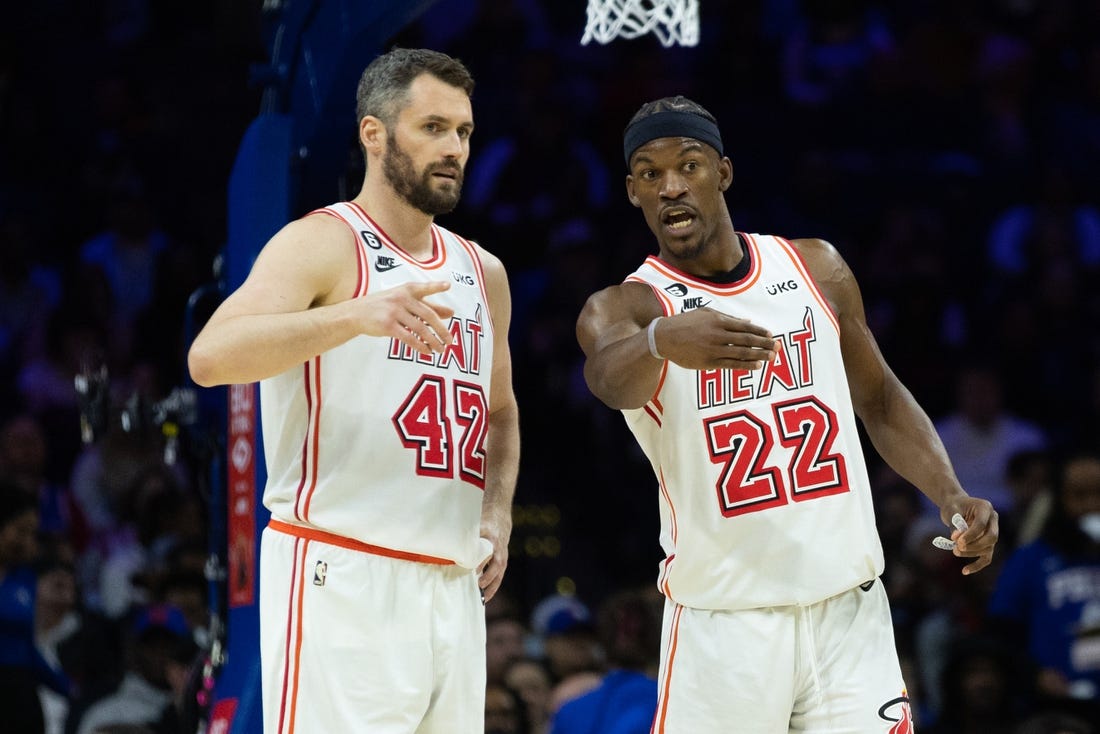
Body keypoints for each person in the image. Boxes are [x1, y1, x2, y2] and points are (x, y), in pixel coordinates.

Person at [574, 95, 999, 732]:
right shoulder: (627, 307)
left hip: (847, 613)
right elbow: (607, 379)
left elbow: (879, 398)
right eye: (650, 173)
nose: (670, 187)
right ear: (633, 191)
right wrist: (663, 341)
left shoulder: (815, 267)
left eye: (688, 165)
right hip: (726, 626)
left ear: (723, 173)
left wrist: (950, 492)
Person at [187, 48, 520, 733]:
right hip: (341, 570)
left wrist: (498, 512)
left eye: (463, 131)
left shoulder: (482, 271)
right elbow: (210, 356)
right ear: (374, 133)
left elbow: (501, 413)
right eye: (432, 127)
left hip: (451, 587)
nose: (453, 147)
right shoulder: (323, 243)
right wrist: (355, 314)